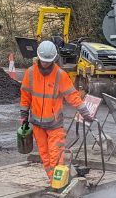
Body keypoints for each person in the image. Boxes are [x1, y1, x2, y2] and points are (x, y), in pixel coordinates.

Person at [20, 40, 92, 180]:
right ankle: (53, 180)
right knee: (45, 156)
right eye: (44, 61)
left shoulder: (60, 75)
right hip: (37, 124)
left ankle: (57, 183)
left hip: (54, 125)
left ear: (54, 59)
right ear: (38, 58)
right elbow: (25, 96)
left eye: (49, 61)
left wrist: (85, 112)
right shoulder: (30, 73)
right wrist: (23, 115)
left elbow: (73, 96)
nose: (46, 64)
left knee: (56, 156)